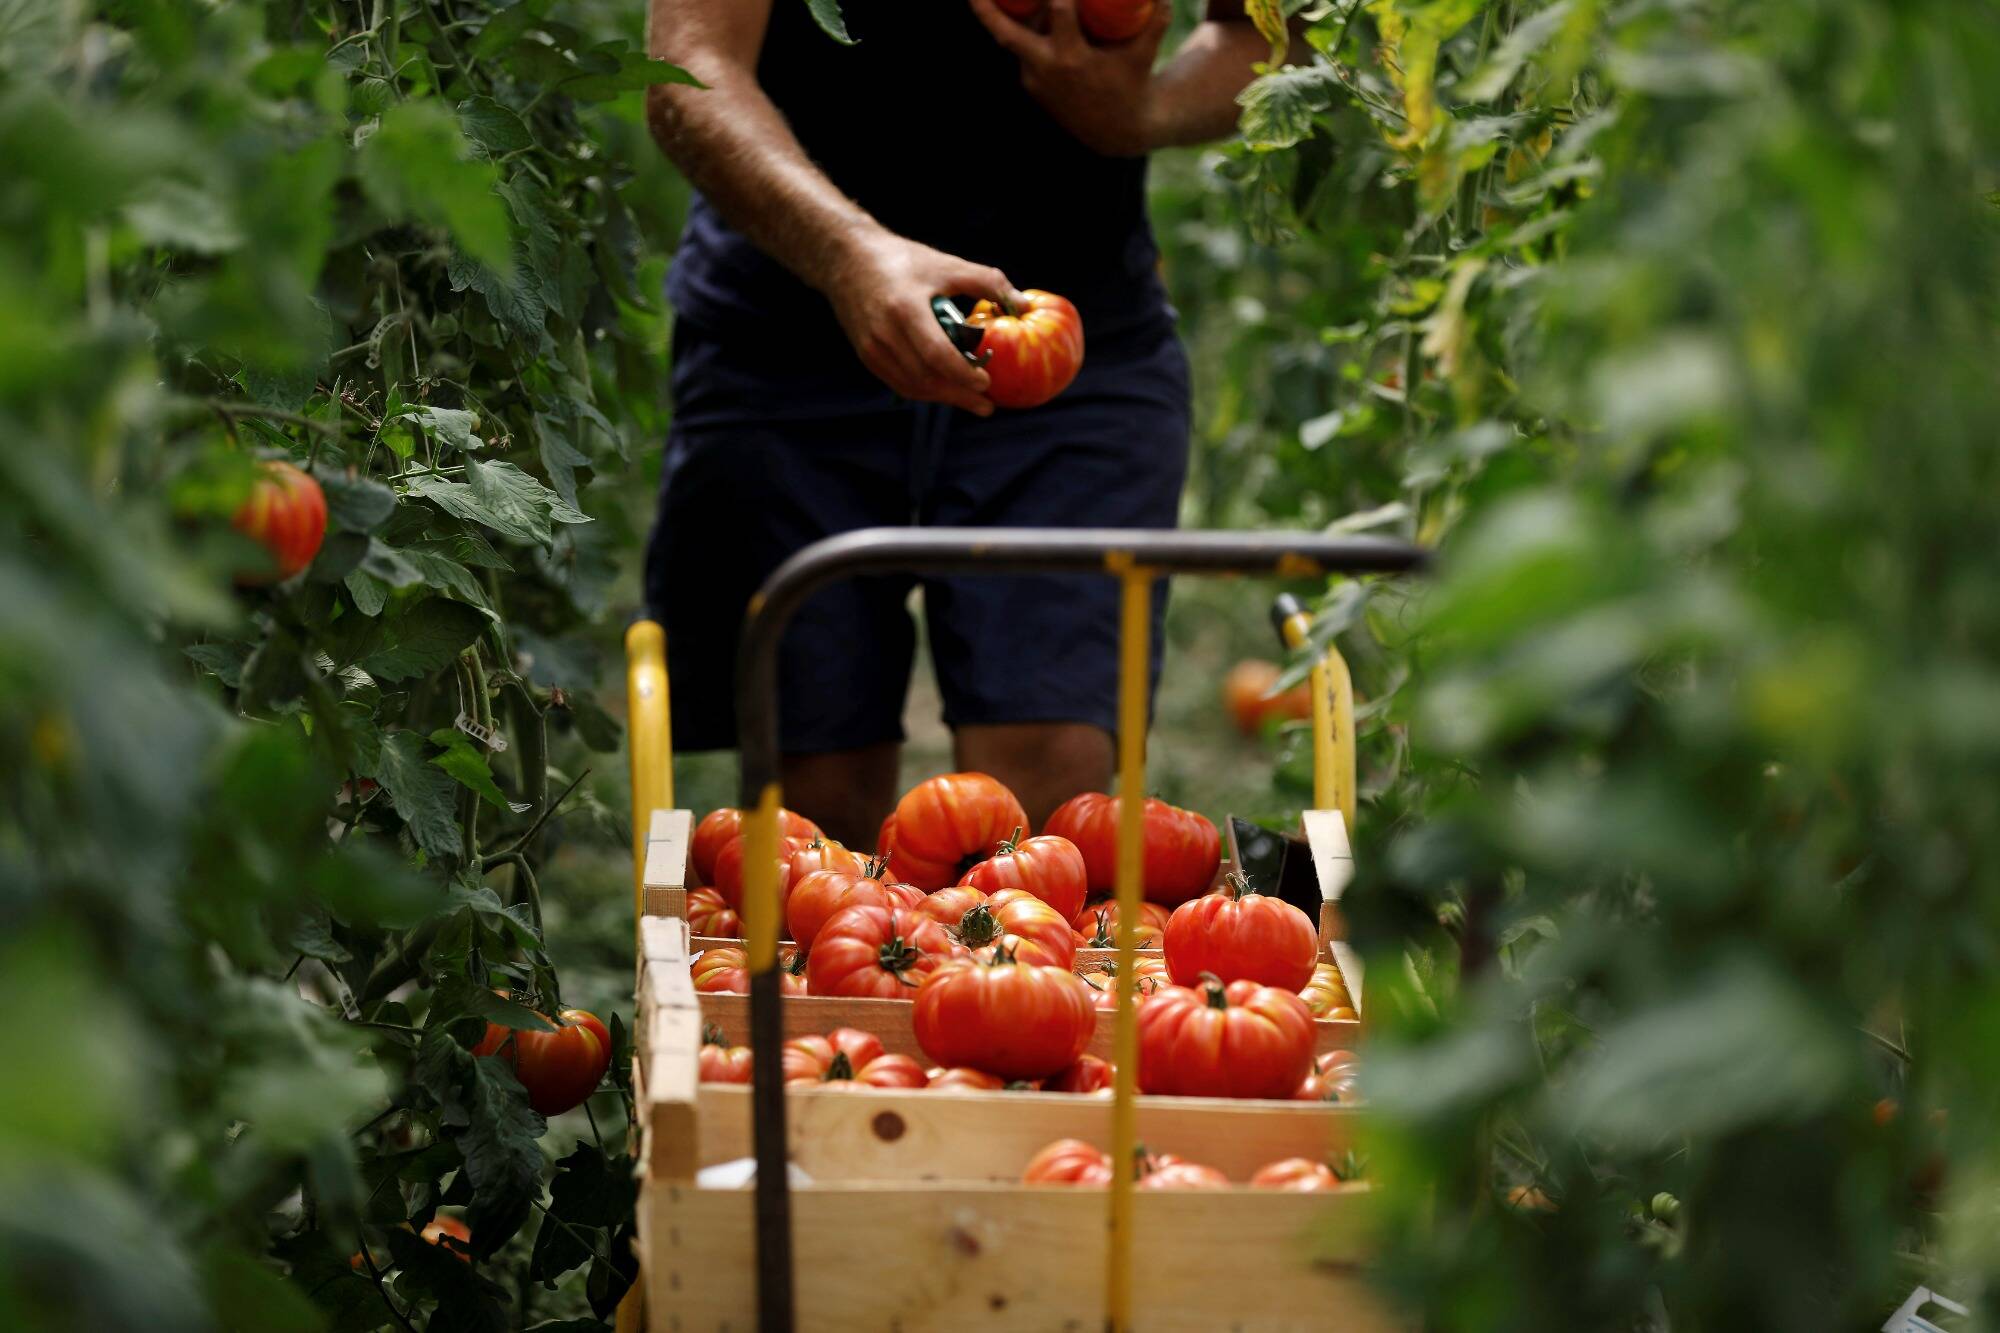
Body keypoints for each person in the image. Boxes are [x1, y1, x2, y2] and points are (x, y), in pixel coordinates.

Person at [643, 0, 1282, 847]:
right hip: (787, 323)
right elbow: (690, 66)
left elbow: (1272, 34)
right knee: (817, 790)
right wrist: (847, 254)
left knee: (1048, 781)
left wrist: (1145, 111)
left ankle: (996, 937)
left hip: (1068, 338)